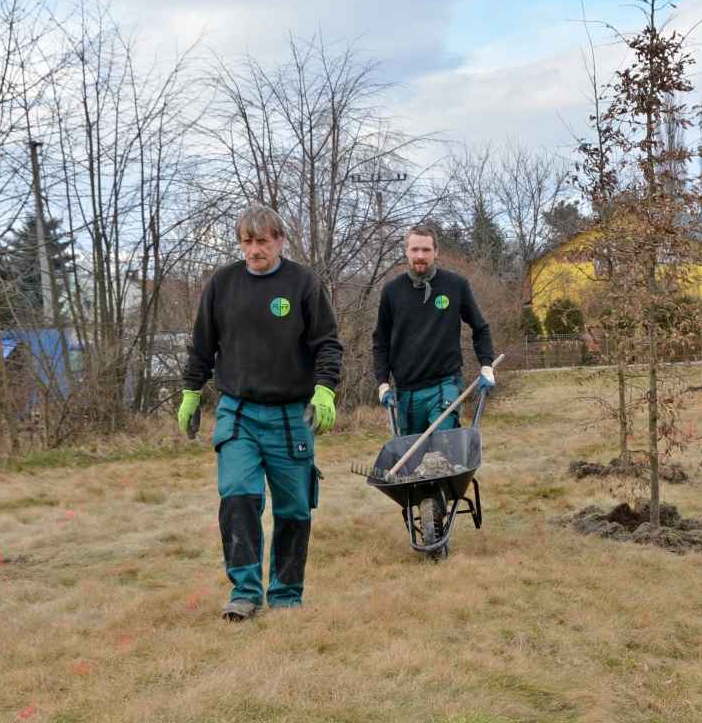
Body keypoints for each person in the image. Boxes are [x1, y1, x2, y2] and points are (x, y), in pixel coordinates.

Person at [179, 205, 343, 621]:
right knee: (238, 496)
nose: (254, 250)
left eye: (263, 241)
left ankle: (286, 595)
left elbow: (327, 344)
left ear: (280, 241)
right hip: (238, 411)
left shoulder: (303, 283)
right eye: (247, 242)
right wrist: (190, 393)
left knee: (293, 509)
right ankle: (246, 592)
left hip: (291, 416)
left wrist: (324, 391)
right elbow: (201, 347)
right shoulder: (221, 284)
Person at [372, 223, 495, 436]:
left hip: (445, 382)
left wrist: (486, 367)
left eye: (426, 250)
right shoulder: (392, 291)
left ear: (436, 252)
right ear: (406, 251)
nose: (420, 255)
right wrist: (383, 384)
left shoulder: (455, 285)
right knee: (412, 458)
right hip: (407, 389)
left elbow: (480, 328)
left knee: (442, 444)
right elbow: (381, 342)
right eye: (415, 249)